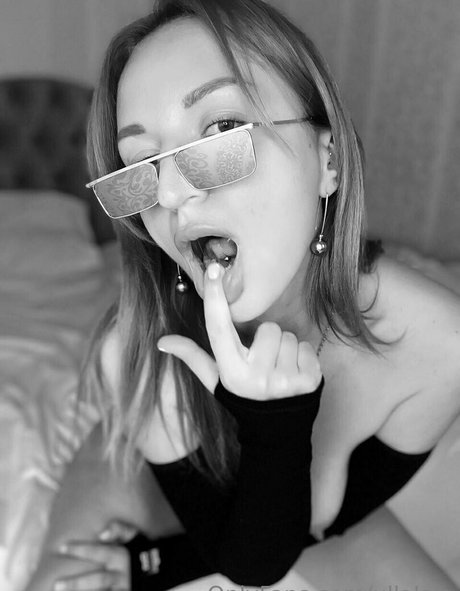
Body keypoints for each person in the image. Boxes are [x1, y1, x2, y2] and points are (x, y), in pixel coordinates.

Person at [35, 0, 460, 589]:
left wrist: (153, 564)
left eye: (221, 130)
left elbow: (314, 532)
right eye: (142, 164)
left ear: (329, 161)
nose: (172, 195)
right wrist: (274, 426)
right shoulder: (139, 354)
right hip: (136, 478)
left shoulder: (441, 345)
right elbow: (245, 553)